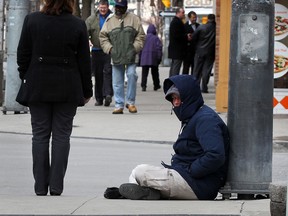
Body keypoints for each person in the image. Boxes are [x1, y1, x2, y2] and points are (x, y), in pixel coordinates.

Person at [104, 75, 230, 200]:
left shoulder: (205, 119)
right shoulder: (193, 117)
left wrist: (191, 171)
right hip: (189, 178)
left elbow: (215, 155)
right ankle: (149, 192)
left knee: (140, 171)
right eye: (173, 99)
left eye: (178, 98)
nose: (175, 102)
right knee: (135, 173)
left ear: (189, 97)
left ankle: (145, 192)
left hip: (198, 184)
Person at [16, 0, 93, 196]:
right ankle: (56, 187)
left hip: (38, 85)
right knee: (61, 136)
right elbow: (84, 61)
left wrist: (28, 76)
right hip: (67, 86)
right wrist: (87, 91)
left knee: (40, 135)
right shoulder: (77, 24)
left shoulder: (32, 20)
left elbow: (22, 54)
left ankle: (40, 187)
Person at [99, 0, 145, 114]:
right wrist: (110, 49)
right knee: (117, 80)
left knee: (132, 75)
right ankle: (119, 104)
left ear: (126, 7)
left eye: (121, 7)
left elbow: (141, 36)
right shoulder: (109, 21)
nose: (119, 9)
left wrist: (134, 48)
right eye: (117, 7)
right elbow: (103, 37)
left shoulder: (134, 19)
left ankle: (130, 102)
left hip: (131, 55)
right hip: (116, 55)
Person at [86, 0, 113, 107]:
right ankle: (99, 98)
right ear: (98, 7)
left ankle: (107, 95)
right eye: (101, 7)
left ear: (107, 7)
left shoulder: (112, 17)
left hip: (109, 50)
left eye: (104, 7)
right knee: (98, 75)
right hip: (96, 50)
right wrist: (87, 40)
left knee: (107, 72)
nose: (102, 9)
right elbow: (85, 31)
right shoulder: (91, 19)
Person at [192, 14, 216, 93]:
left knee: (197, 70)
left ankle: (195, 87)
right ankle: (204, 87)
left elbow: (194, 37)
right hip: (210, 52)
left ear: (208, 19)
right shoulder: (216, 28)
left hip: (199, 51)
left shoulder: (202, 27)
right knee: (207, 70)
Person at [168, 7, 191, 77]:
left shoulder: (177, 21)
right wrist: (186, 36)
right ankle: (173, 83)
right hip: (177, 50)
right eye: (182, 13)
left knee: (174, 67)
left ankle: (171, 83)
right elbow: (176, 35)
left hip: (176, 50)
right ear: (178, 13)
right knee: (176, 68)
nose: (184, 14)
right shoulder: (176, 22)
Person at [140, 24, 162, 92]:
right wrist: (159, 58)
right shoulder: (156, 38)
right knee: (155, 72)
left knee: (144, 73)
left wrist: (140, 57)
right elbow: (159, 48)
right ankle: (156, 85)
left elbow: (140, 48)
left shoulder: (144, 38)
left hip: (144, 58)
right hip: (153, 58)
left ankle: (143, 86)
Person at [182, 11, 200, 75]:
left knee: (194, 69)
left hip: (196, 51)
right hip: (187, 51)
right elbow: (182, 37)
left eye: (195, 17)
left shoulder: (198, 26)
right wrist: (187, 36)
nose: (195, 19)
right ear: (189, 18)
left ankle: (192, 83)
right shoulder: (184, 26)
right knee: (186, 69)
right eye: (193, 17)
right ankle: (184, 82)